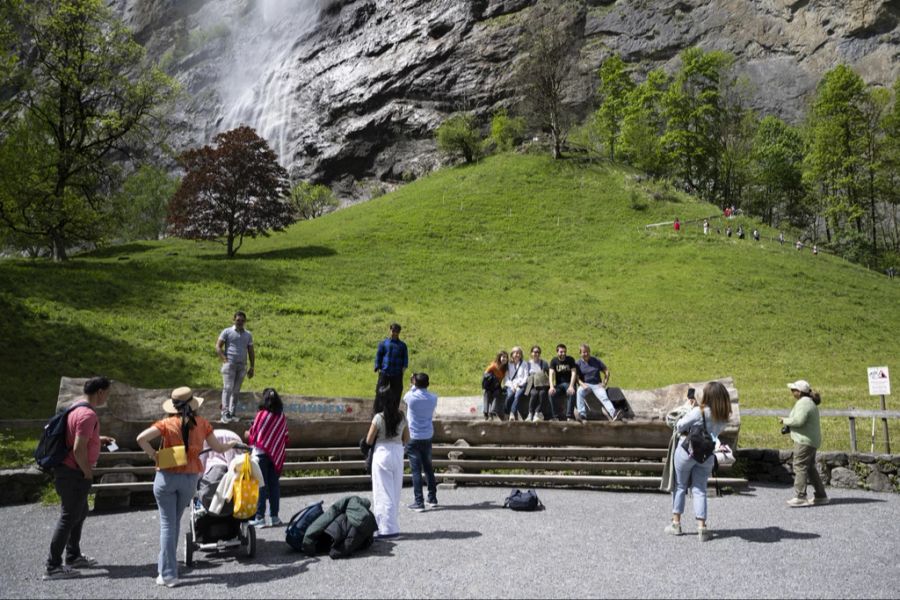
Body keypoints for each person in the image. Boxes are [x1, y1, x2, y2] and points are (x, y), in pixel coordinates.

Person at [136, 387, 238, 587]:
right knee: (174, 523)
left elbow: (141, 438)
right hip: (189, 479)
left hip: (166, 477)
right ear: (193, 404)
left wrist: (154, 455)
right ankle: (166, 570)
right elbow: (217, 448)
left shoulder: (166, 423)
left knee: (167, 525)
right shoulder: (203, 424)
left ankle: (168, 574)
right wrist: (232, 444)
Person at [43, 376, 116, 580]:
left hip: (68, 470)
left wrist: (97, 439)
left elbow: (75, 436)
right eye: (107, 393)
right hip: (74, 472)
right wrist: (86, 472)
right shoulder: (88, 415)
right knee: (69, 516)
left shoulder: (75, 407)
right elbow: (77, 448)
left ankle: (73, 555)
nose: (107, 397)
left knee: (80, 510)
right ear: (100, 392)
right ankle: (53, 566)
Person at [665, 381, 732, 541]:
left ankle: (676, 524)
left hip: (687, 452)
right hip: (706, 455)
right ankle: (702, 528)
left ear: (708, 396)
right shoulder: (724, 416)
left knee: (680, 486)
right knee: (700, 489)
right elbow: (713, 432)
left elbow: (679, 425)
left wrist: (689, 408)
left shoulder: (699, 411)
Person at [365, 388, 409, 538]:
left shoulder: (379, 418)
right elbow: (406, 438)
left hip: (382, 452)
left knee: (382, 492)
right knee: (395, 491)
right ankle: (393, 525)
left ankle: (385, 529)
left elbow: (369, 440)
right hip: (397, 452)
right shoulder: (402, 416)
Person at [245, 388, 288, 528]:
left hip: (260, 455)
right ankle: (275, 517)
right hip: (275, 455)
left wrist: (247, 433)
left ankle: (260, 517)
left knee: (261, 486)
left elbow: (253, 435)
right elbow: (284, 436)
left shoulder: (261, 415)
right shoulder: (281, 416)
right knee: (274, 486)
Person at [781, 380, 828, 507]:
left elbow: (799, 421)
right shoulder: (808, 402)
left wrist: (784, 420)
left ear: (800, 392)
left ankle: (800, 496)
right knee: (810, 468)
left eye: (793, 390)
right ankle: (821, 495)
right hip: (811, 440)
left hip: (804, 440)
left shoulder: (803, 403)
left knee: (799, 465)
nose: (792, 392)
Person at [405, 372, 438, 512]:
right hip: (427, 435)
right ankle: (432, 498)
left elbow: (406, 395)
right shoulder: (433, 398)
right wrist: (416, 383)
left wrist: (413, 384)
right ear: (428, 384)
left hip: (413, 437)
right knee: (428, 468)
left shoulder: (410, 397)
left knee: (416, 470)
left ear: (414, 383)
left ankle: (419, 502)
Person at [216, 311, 255, 423]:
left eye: (242, 321)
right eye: (238, 320)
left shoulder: (248, 334)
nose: (240, 322)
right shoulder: (227, 331)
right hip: (230, 364)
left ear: (245, 322)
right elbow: (218, 346)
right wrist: (224, 358)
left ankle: (232, 413)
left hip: (242, 366)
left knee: (236, 390)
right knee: (228, 388)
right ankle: (224, 412)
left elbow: (251, 351)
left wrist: (252, 367)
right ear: (234, 320)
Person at [575, 344, 620, 422]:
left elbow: (606, 371)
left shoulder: (596, 360)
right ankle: (582, 414)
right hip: (585, 384)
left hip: (597, 384)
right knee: (579, 392)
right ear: (580, 353)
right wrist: (582, 384)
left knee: (604, 397)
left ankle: (614, 414)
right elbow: (576, 378)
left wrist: (605, 382)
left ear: (589, 352)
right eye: (584, 352)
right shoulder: (578, 363)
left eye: (587, 352)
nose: (586, 354)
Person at [374, 322, 408, 414]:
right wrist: (377, 367)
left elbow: (405, 359)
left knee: (396, 393)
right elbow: (378, 356)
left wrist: (403, 369)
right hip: (384, 372)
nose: (394, 333)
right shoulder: (383, 343)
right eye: (393, 331)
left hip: (397, 373)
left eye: (396, 331)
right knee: (380, 392)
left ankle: (393, 413)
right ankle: (377, 413)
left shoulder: (402, 346)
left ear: (399, 332)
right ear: (390, 331)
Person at [549, 344, 578, 421]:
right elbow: (551, 374)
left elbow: (574, 373)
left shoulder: (570, 360)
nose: (563, 353)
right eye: (561, 352)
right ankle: (555, 417)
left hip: (569, 383)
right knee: (551, 393)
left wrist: (571, 386)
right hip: (559, 385)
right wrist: (551, 387)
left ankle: (569, 416)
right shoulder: (554, 361)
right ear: (557, 352)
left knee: (571, 393)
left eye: (565, 352)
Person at [524, 346, 551, 422]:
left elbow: (549, 374)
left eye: (538, 352)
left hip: (542, 385)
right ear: (531, 353)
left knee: (542, 394)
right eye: (534, 352)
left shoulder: (544, 363)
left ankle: (537, 413)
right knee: (534, 394)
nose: (536, 354)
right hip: (532, 385)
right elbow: (525, 375)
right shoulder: (528, 364)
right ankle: (530, 413)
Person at [503, 346, 529, 421]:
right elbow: (506, 378)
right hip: (511, 385)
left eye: (518, 353)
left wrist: (519, 385)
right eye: (515, 353)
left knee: (517, 396)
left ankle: (512, 413)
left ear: (521, 355)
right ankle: (506, 412)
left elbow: (526, 377)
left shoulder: (524, 363)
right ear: (511, 354)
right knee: (509, 396)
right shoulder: (508, 364)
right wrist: (512, 386)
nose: (517, 354)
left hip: (521, 385)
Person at [482, 350, 508, 420]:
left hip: (497, 387)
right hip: (490, 386)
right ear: (499, 357)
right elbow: (485, 375)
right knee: (487, 393)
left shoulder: (505, 368)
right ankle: (485, 412)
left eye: (506, 357)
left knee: (497, 394)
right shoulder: (493, 365)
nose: (504, 359)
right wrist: (485, 385)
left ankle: (492, 412)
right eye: (503, 357)